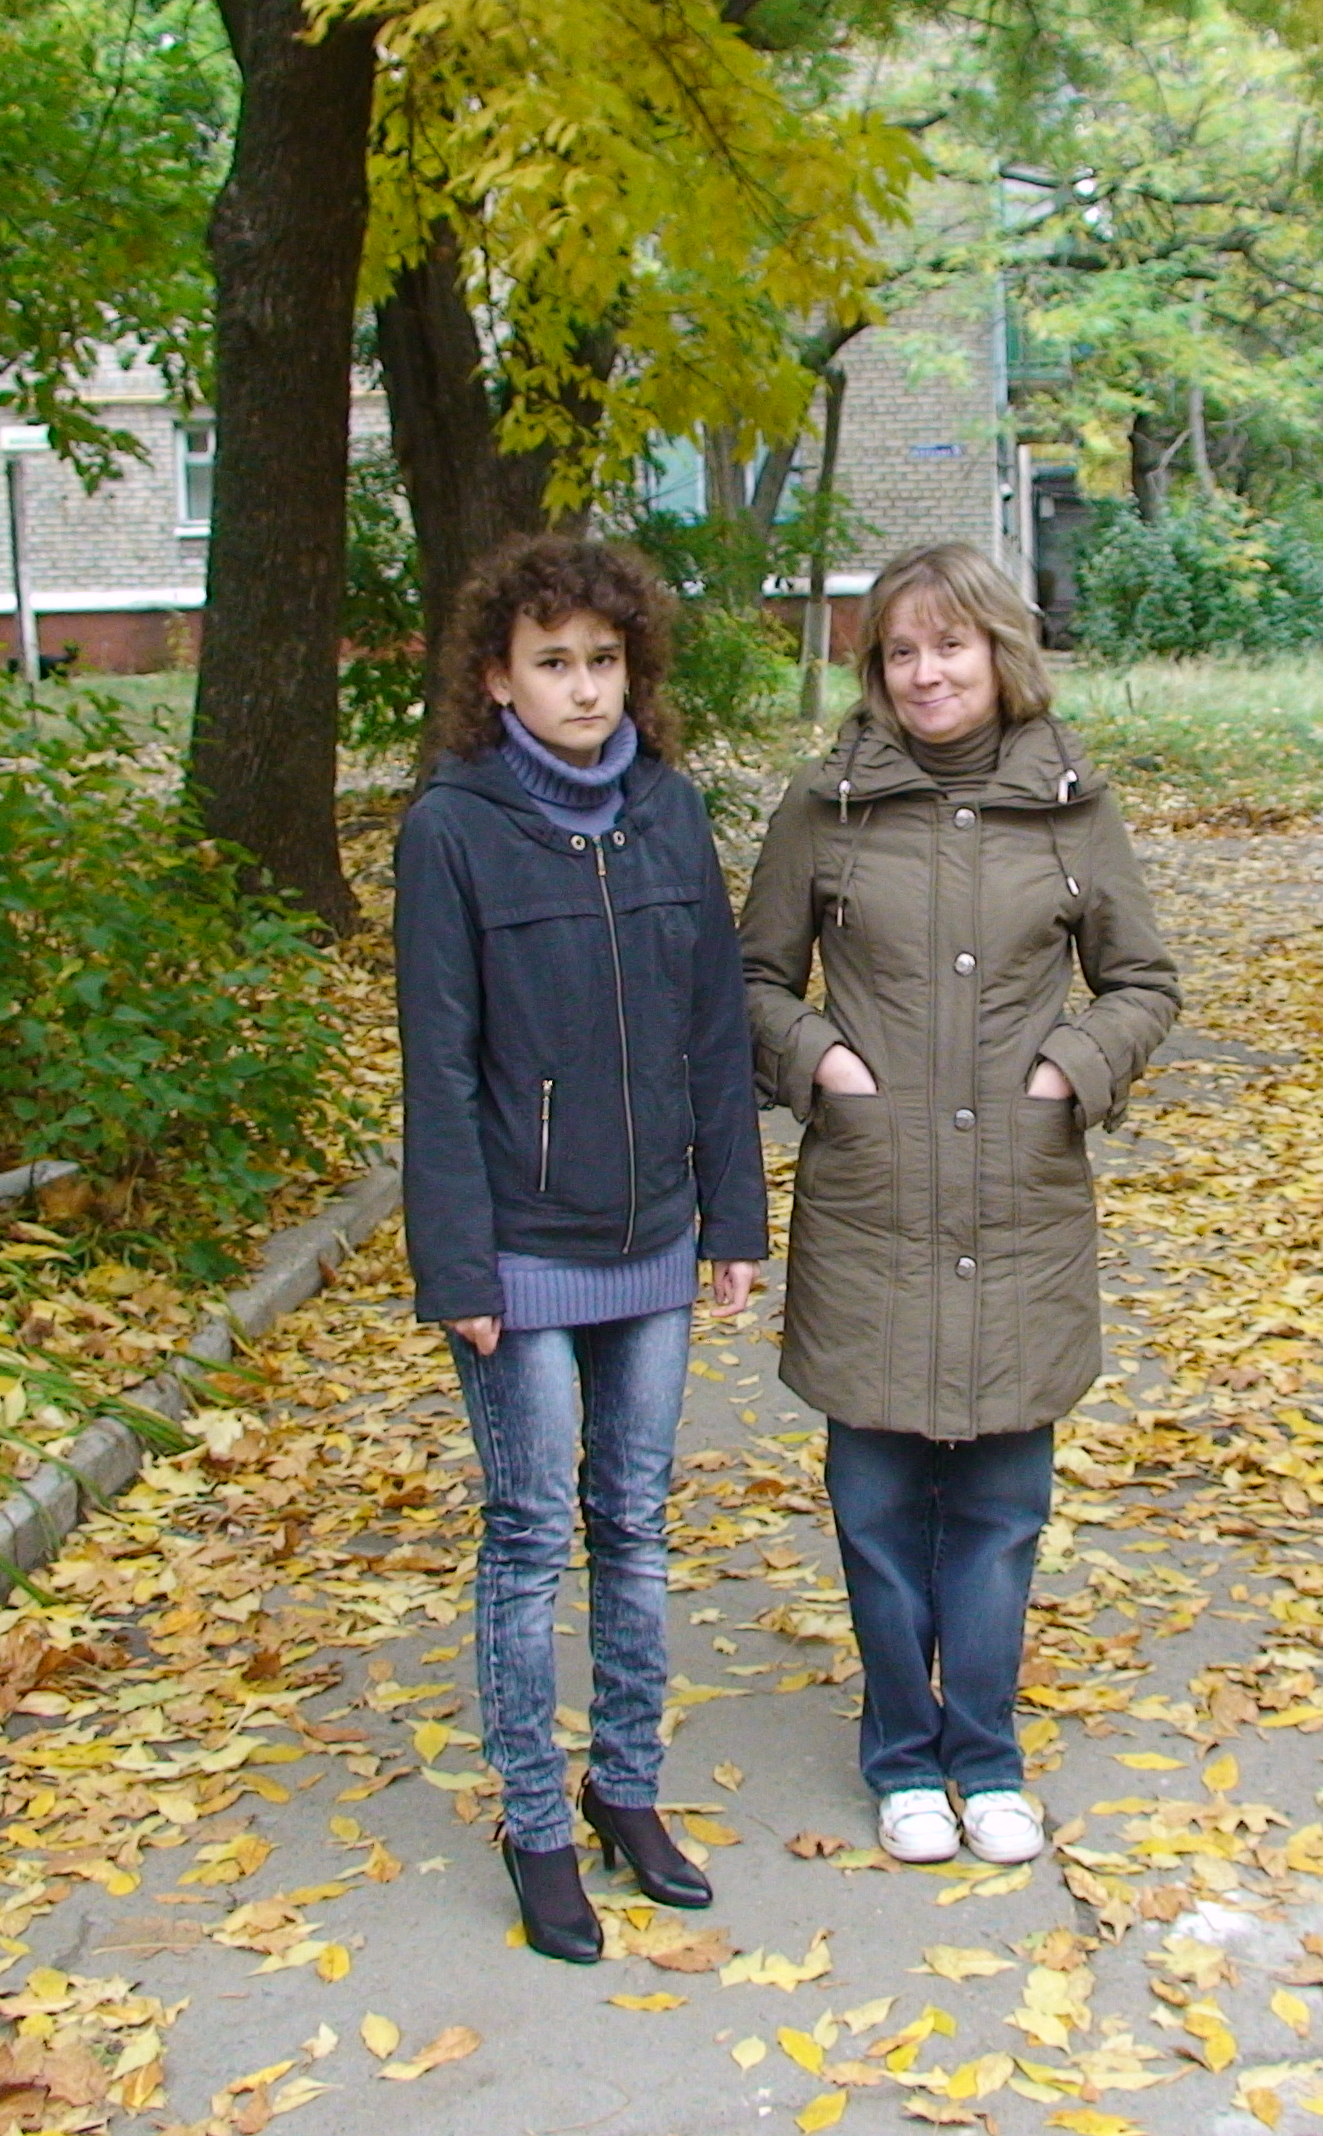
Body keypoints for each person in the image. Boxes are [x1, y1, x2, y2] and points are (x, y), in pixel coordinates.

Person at [738, 541, 1179, 1869]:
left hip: (1019, 1209)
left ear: (999, 651)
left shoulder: (1074, 808)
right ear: (875, 671)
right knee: (877, 1513)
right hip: (871, 1203)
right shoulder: (824, 810)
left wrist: (1071, 1070)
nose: (926, 674)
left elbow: (1144, 983)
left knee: (997, 1514)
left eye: (951, 645)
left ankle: (984, 1755)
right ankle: (900, 1756)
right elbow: (750, 981)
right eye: (900, 652)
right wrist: (824, 1065)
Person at [395, 534, 768, 1965]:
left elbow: (714, 1028)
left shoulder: (669, 811)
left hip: (654, 1236)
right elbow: (439, 1067)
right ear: (498, 679)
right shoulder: (452, 829)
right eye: (551, 662)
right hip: (520, 1252)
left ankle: (627, 1787)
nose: (584, 687)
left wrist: (733, 1216)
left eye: (603, 660)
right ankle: (537, 1823)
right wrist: (458, 1268)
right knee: (531, 1536)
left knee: (636, 1526)